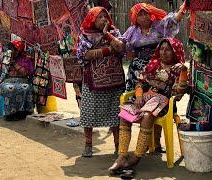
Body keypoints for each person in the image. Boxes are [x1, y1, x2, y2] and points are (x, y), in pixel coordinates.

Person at [109, 38, 189, 172]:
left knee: (147, 116)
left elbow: (179, 94)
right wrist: (139, 95)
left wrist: (183, 71)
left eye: (168, 49)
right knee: (125, 114)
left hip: (163, 103)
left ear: (175, 52)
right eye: (162, 49)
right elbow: (139, 82)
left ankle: (136, 157)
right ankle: (122, 156)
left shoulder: (178, 69)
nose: (164, 52)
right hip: (145, 98)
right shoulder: (153, 64)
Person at [123, 2, 187, 152]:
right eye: (140, 14)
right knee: (141, 104)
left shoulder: (159, 25)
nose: (144, 16)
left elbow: (172, 21)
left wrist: (182, 11)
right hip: (138, 72)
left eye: (146, 13)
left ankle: (156, 144)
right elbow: (123, 46)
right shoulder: (132, 31)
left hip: (159, 67)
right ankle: (145, 144)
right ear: (135, 18)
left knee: (157, 104)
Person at [76, 6, 126, 157]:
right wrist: (107, 51)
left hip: (114, 81)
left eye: (106, 16)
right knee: (88, 114)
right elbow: (84, 55)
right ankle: (88, 145)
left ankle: (118, 146)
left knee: (116, 115)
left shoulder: (114, 32)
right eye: (100, 17)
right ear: (92, 19)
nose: (104, 19)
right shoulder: (86, 35)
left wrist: (107, 35)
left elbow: (121, 48)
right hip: (92, 82)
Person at [0, 40, 35, 121]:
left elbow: (25, 73)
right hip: (8, 81)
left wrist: (14, 63)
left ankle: (23, 113)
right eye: (12, 49)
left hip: (22, 80)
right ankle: (10, 114)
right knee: (9, 88)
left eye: (15, 49)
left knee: (26, 88)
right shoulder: (6, 57)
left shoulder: (25, 59)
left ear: (19, 50)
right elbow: (1, 72)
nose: (13, 51)